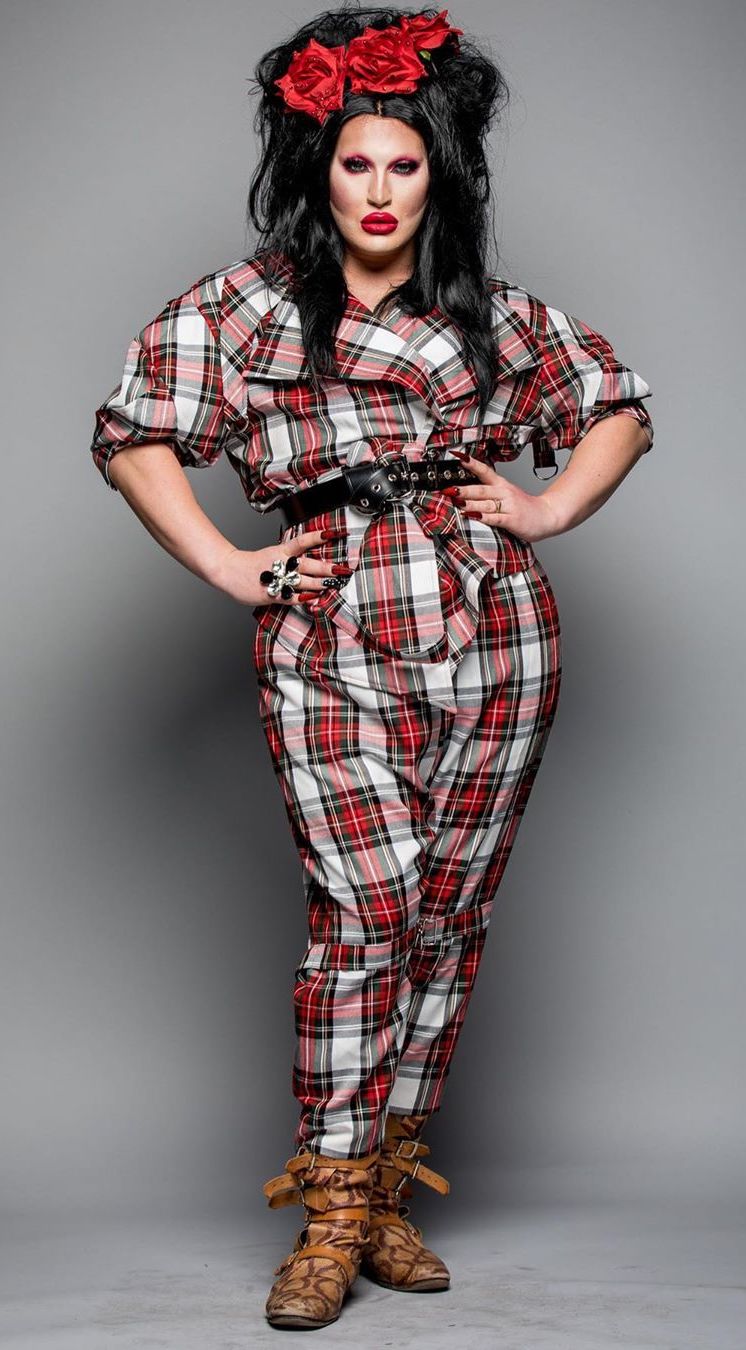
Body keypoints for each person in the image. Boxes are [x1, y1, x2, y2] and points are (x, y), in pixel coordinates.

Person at [89, 5, 654, 1332]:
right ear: (317, 169)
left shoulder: (492, 314)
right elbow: (134, 434)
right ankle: (334, 1206)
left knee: (446, 915)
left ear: (440, 174)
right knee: (365, 911)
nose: (382, 190)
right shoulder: (242, 308)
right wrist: (230, 566)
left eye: (406, 164)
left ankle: (387, 1186)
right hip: (328, 632)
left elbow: (615, 405)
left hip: (494, 631)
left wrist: (546, 509)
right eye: (357, 164)